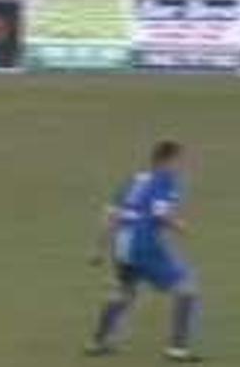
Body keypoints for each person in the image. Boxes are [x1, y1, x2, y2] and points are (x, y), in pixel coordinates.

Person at [85, 141, 202, 363]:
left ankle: (97, 343)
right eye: (180, 160)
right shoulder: (166, 179)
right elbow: (160, 214)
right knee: (186, 288)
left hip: (122, 245)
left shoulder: (135, 180)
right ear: (168, 160)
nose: (182, 165)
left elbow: (111, 215)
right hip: (144, 243)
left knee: (123, 293)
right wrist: (180, 226)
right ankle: (178, 348)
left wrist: (99, 249)